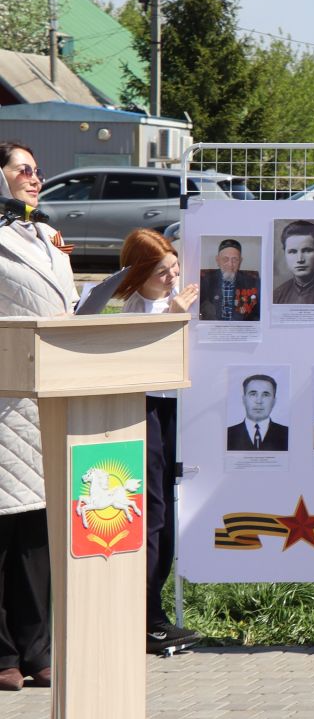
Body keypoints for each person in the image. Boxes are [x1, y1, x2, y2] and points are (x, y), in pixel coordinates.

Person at [75, 227, 202, 654]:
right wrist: (173, 317)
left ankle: (154, 612)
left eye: (175, 268)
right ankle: (144, 615)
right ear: (141, 272)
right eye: (163, 271)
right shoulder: (137, 308)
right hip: (144, 411)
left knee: (164, 509)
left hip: (171, 411)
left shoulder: (173, 301)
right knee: (153, 512)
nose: (172, 277)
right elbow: (141, 362)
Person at [0, 142, 74, 690]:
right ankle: (3, 654)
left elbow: (63, 308)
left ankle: (37, 647)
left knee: (35, 535)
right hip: (5, 396)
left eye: (37, 169)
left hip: (47, 399)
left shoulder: (47, 235)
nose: (35, 177)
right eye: (23, 169)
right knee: (4, 532)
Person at [198, 238, 260, 321]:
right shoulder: (205, 281)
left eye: (235, 259)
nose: (230, 264)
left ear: (240, 261)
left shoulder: (253, 282)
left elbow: (258, 314)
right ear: (217, 260)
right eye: (225, 259)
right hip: (213, 330)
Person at [272, 219, 314, 305]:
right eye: (292, 251)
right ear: (284, 253)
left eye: (307, 250)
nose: (300, 259)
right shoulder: (277, 296)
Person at [225, 374, 289, 451]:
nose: (259, 401)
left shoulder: (287, 434)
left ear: (274, 401)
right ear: (244, 400)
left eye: (265, 395)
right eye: (253, 394)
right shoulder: (228, 434)